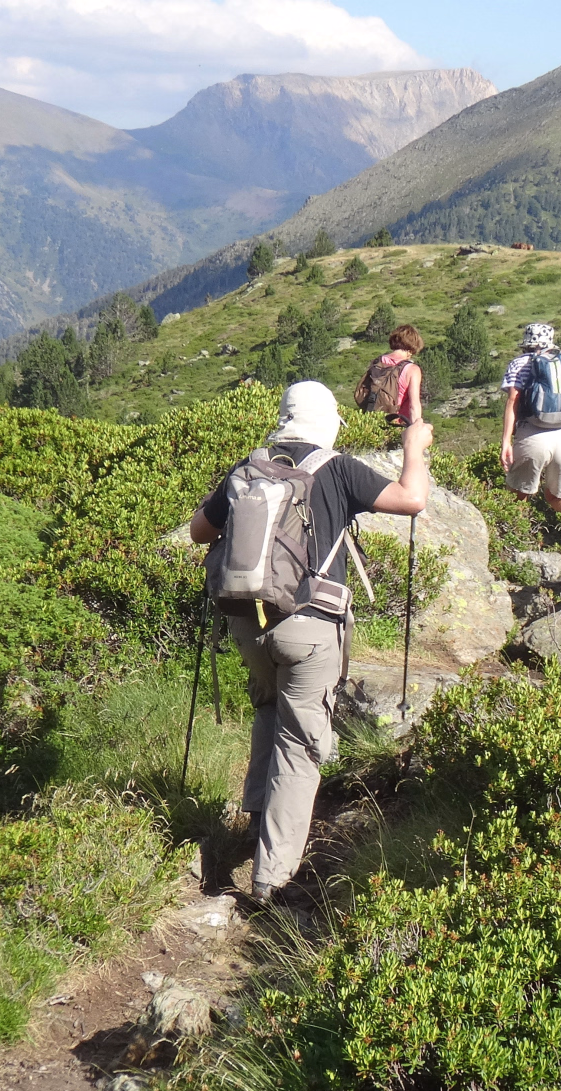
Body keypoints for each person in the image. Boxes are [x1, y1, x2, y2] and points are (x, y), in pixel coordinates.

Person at [189, 381, 431, 906]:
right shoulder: (337, 467)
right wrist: (414, 449)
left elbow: (198, 533)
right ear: (329, 421)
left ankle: (254, 829)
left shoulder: (248, 466)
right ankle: (272, 879)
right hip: (310, 625)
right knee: (299, 745)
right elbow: (412, 500)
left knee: (269, 712)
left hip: (249, 623)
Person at [500, 322, 561, 554]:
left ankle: (514, 544)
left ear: (527, 343)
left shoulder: (519, 364)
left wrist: (506, 441)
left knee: (519, 493)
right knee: (557, 495)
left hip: (533, 435)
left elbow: (513, 400)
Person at [354, 324, 425, 425]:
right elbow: (414, 405)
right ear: (411, 350)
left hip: (370, 421)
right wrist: (416, 428)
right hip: (396, 423)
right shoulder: (412, 370)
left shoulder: (377, 362)